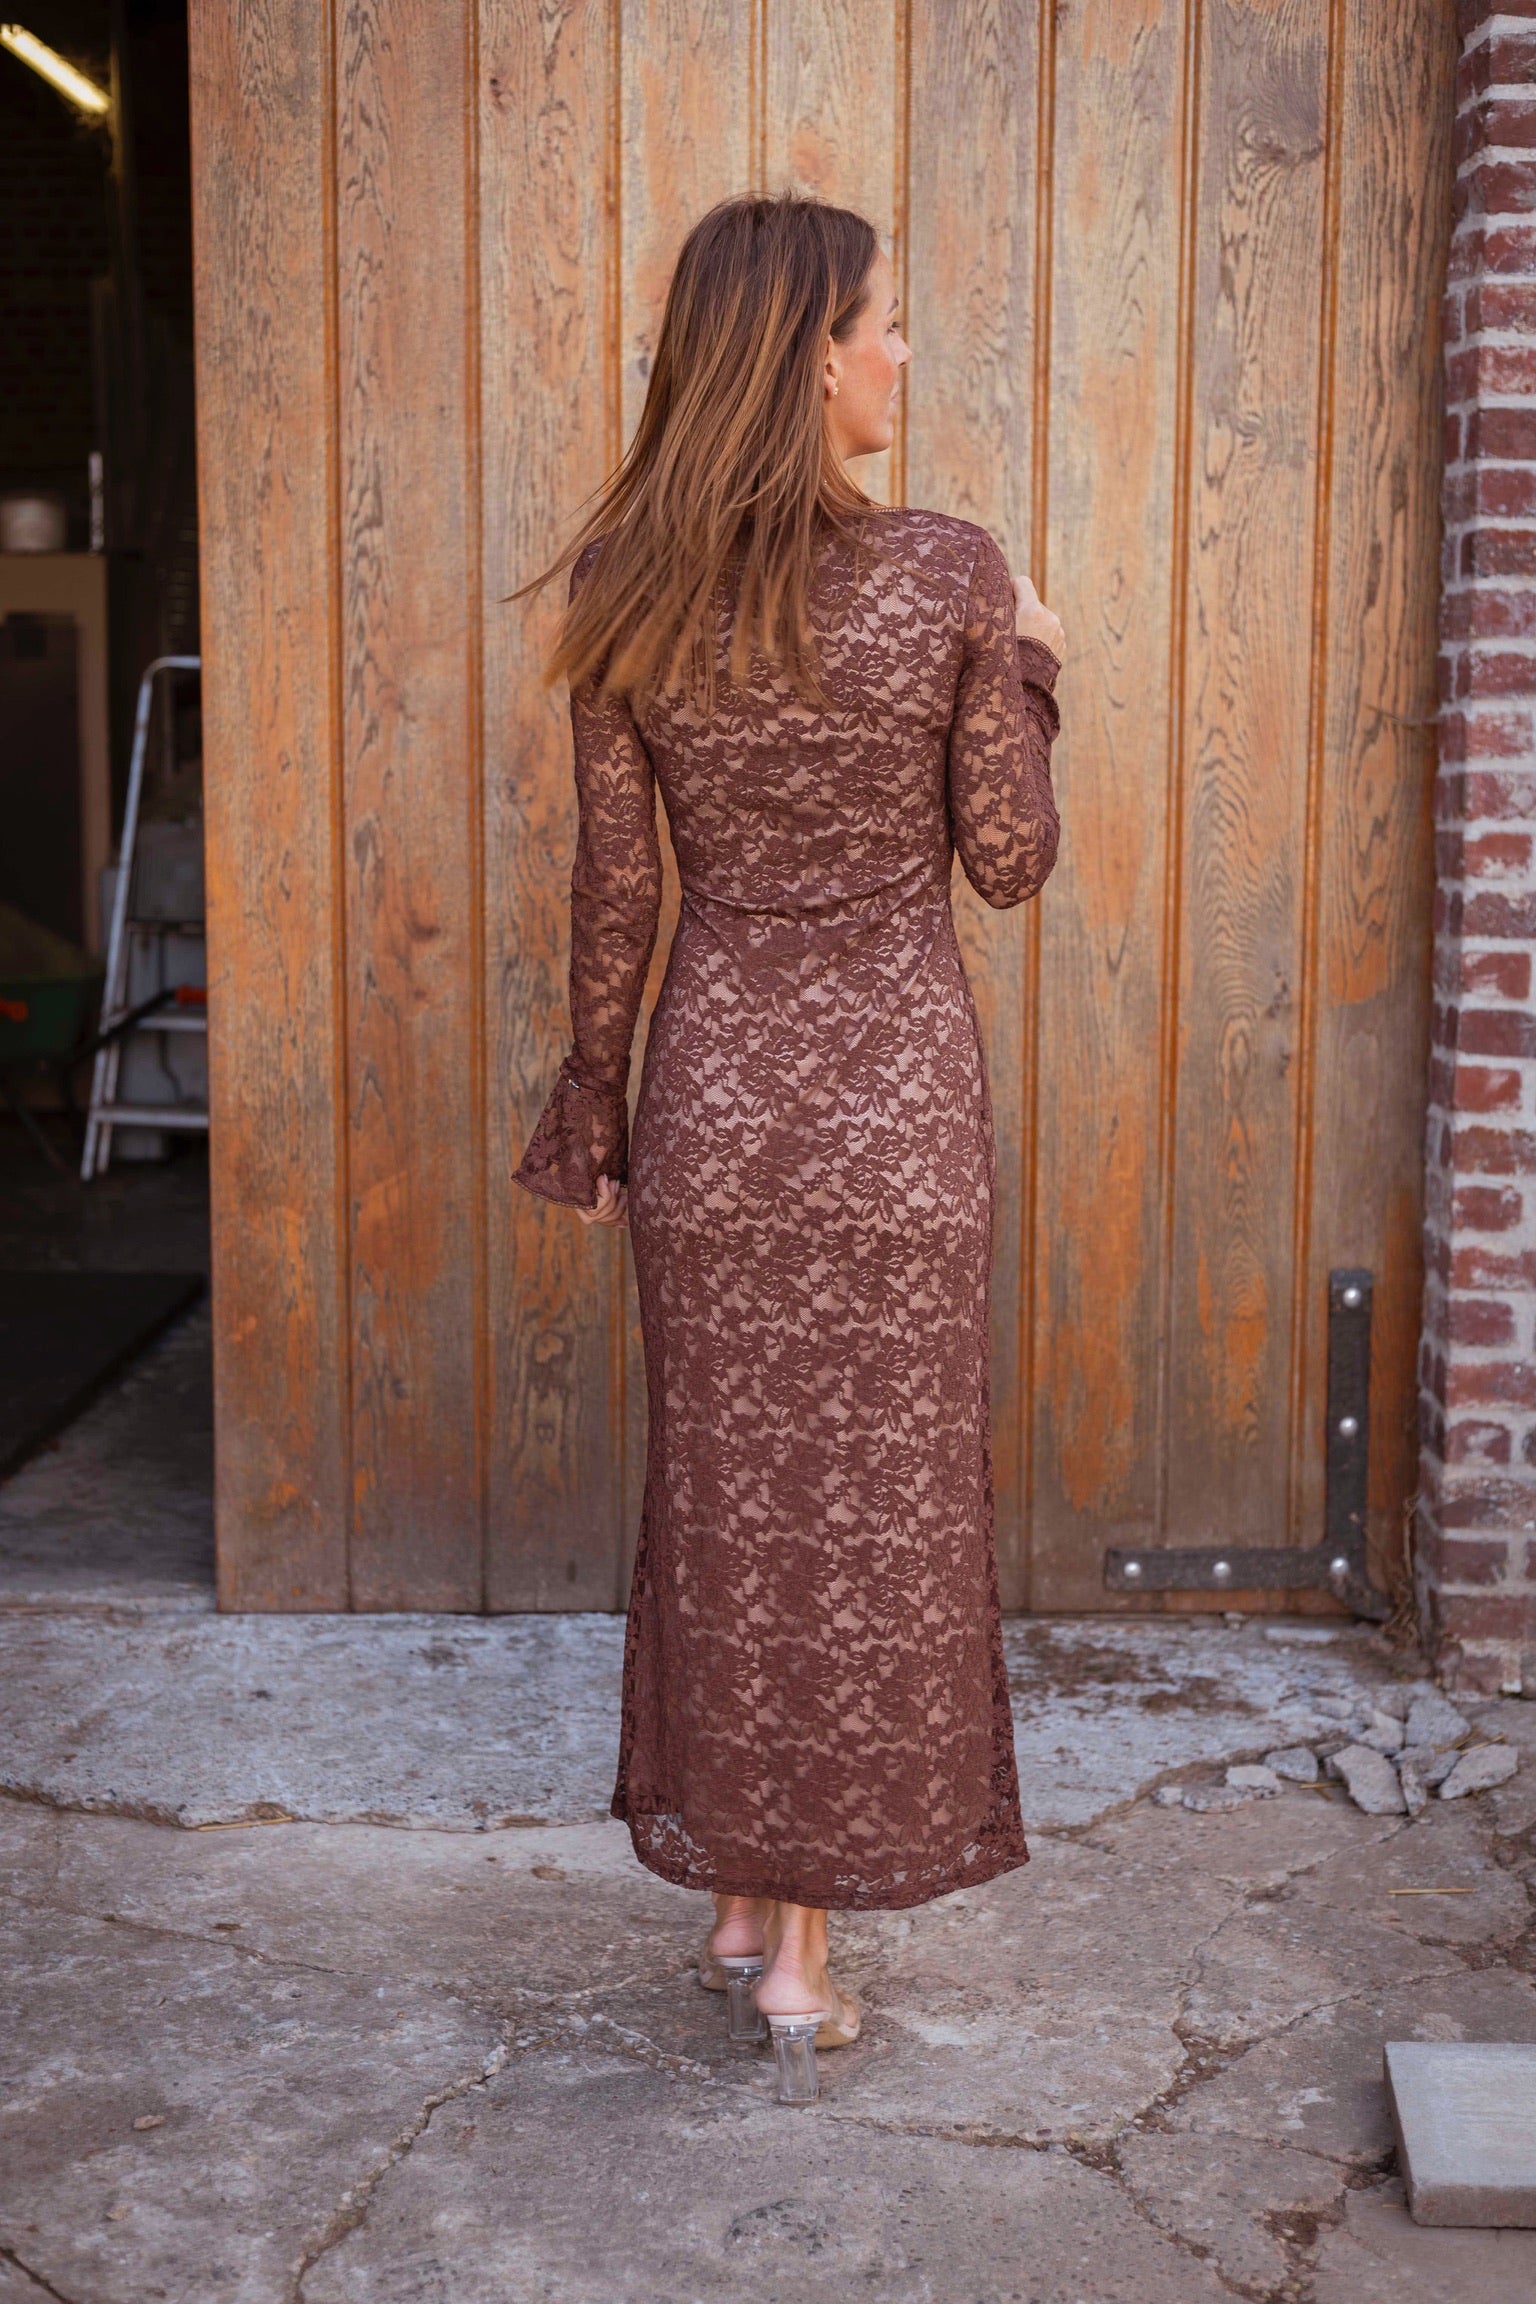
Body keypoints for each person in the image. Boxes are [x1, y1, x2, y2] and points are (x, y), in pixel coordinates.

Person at [515, 193, 1064, 2105]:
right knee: (872, 1520)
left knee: (735, 1503)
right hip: (897, 1108)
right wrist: (1031, 663)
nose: (902, 352)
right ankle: (802, 1959)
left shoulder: (630, 584)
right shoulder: (950, 574)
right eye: (883, 324)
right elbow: (1011, 858)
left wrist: (595, 1107)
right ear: (811, 358)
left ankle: (746, 1902)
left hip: (719, 1107)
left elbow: (615, 895)